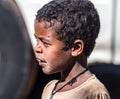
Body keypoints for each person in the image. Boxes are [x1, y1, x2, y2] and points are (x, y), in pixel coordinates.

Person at [34, 0, 110, 99]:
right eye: (37, 40)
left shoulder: (94, 92)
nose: (36, 48)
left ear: (76, 48)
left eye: (45, 43)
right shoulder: (50, 88)